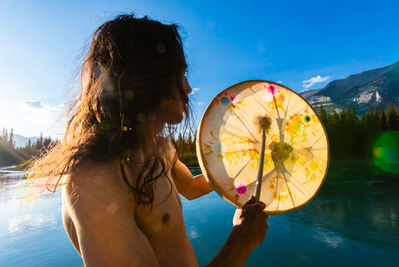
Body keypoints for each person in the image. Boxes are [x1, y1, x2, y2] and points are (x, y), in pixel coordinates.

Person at [28, 14, 268, 266]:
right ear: (148, 77)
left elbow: (193, 189)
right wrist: (241, 240)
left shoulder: (160, 149)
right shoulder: (93, 179)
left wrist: (245, 165)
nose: (187, 88)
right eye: (180, 74)